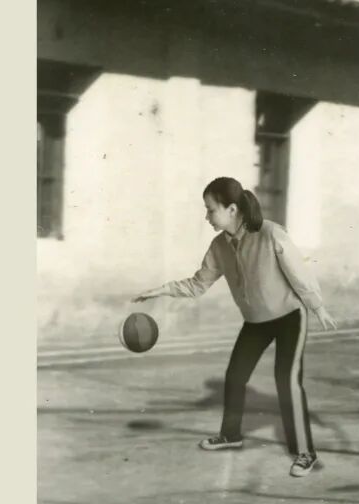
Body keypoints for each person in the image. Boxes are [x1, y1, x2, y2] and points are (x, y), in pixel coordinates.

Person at [133, 177, 337, 477]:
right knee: (235, 376)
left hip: (289, 316)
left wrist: (317, 306)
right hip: (255, 321)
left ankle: (305, 453)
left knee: (287, 380)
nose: (207, 216)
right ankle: (230, 435)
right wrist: (161, 290)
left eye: (210, 209)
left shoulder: (270, 233)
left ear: (231, 209)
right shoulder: (219, 247)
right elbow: (197, 284)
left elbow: (299, 272)